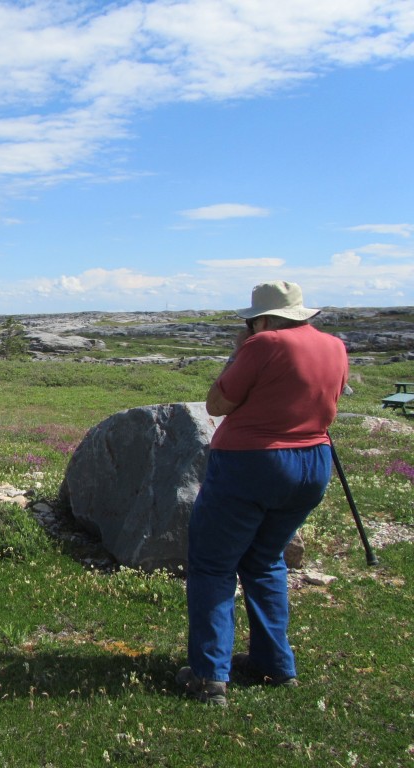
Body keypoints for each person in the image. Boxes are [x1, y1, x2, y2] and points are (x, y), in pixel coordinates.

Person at [177, 281, 349, 706]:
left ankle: (209, 675)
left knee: (213, 565)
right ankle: (274, 663)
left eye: (252, 321)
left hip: (252, 463)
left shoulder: (263, 344)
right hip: (313, 463)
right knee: (266, 559)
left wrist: (240, 352)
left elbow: (217, 404)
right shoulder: (334, 346)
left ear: (264, 320)